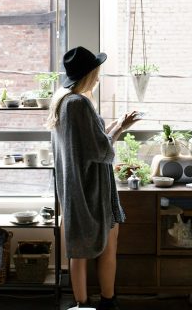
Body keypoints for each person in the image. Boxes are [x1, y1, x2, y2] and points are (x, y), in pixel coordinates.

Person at [47, 46, 140, 310]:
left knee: (78, 249)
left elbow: (89, 141)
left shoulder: (63, 102)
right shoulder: (80, 104)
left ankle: (82, 305)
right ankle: (107, 302)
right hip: (93, 190)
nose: (98, 77)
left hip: (75, 188)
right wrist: (119, 131)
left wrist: (116, 125)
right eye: (96, 72)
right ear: (89, 74)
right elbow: (101, 150)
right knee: (106, 247)